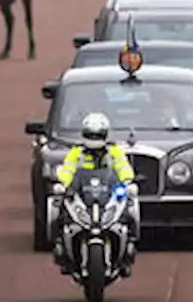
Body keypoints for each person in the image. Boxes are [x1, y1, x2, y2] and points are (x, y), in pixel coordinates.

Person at [52, 113, 139, 271]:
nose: (94, 138)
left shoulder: (114, 151)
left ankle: (129, 247)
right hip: (83, 193)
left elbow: (122, 166)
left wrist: (127, 181)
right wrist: (63, 184)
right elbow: (68, 168)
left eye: (98, 135)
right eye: (90, 135)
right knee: (58, 212)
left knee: (131, 211)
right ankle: (61, 248)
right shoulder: (76, 152)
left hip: (106, 193)